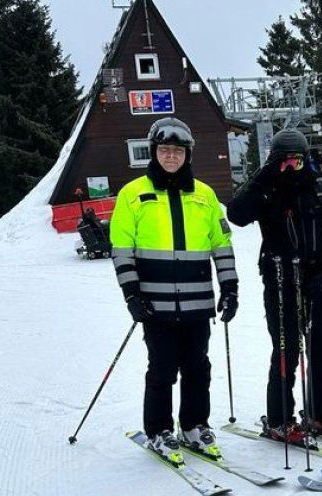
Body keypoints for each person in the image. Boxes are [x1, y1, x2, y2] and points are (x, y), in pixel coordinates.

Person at [109, 117, 238, 463]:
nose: (171, 156)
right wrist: (132, 294)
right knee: (162, 367)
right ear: (154, 152)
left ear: (187, 154)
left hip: (198, 302)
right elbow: (121, 249)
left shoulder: (205, 195)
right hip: (155, 303)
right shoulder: (133, 194)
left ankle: (194, 424)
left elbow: (221, 245)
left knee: (198, 366)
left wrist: (230, 287)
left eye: (177, 151)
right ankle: (159, 430)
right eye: (164, 150)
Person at [227, 129, 322, 445]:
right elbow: (236, 214)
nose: (290, 168)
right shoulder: (267, 193)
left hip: (318, 285)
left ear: (306, 162)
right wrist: (264, 176)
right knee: (286, 354)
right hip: (281, 286)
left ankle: (321, 414)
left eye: (296, 162)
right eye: (283, 163)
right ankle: (279, 420)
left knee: (321, 355)